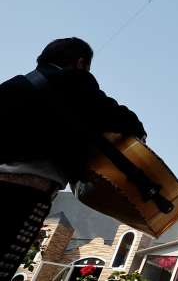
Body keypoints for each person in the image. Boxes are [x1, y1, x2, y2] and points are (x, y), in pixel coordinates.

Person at [0, 37, 146, 279]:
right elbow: (124, 120)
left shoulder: (12, 86)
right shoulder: (76, 82)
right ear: (80, 63)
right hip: (26, 194)